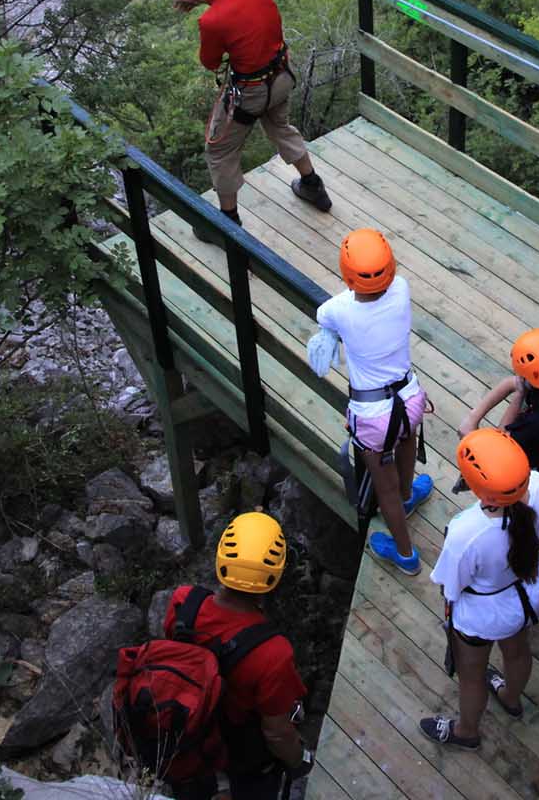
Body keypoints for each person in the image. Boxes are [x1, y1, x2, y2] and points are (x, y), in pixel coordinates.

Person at [167, 0, 331, 240]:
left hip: (249, 94)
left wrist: (205, 6)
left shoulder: (211, 22)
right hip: (281, 76)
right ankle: (313, 186)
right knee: (281, 128)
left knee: (219, 152)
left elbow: (211, 63)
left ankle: (228, 224)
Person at [162, 512, 314, 800]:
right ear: (275, 575)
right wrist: (299, 761)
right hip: (241, 752)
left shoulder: (184, 603)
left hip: (191, 732)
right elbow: (276, 733)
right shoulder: (273, 653)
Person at [418, 429, 539, 749]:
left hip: (484, 614)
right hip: (526, 596)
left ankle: (467, 732)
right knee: (517, 650)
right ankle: (510, 697)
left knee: (471, 675)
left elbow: (452, 585)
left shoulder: (467, 531)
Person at [316, 228, 433, 574]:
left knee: (385, 488)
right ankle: (410, 494)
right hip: (410, 396)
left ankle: (406, 554)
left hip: (373, 415)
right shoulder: (401, 289)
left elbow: (324, 314)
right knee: (408, 438)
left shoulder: (338, 311)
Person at [460, 328, 539, 571]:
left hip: (525, 467)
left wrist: (516, 397)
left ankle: (519, 556)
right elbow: (511, 383)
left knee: (519, 514)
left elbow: (500, 442)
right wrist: (476, 415)